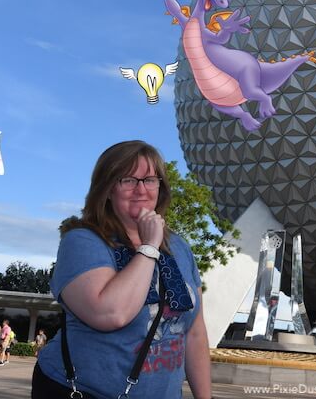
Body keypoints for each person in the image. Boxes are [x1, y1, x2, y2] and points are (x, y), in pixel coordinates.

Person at [31, 140, 212, 398]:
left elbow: (194, 333)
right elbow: (111, 314)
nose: (141, 189)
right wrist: (150, 246)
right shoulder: (83, 241)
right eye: (127, 180)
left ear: (160, 188)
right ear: (107, 189)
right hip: (83, 391)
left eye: (150, 179)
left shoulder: (180, 248)